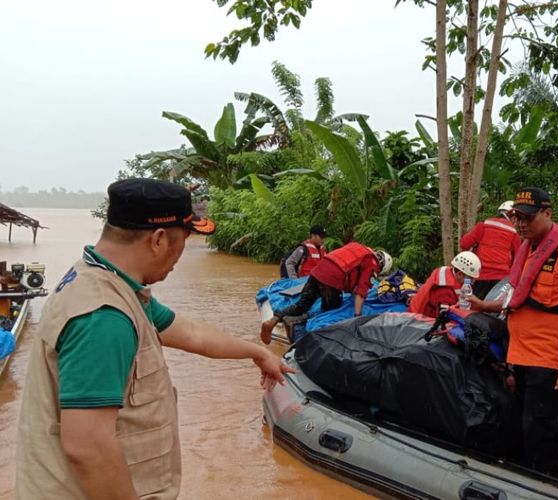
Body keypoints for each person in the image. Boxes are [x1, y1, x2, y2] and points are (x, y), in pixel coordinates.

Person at [15, 178, 293, 500]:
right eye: (184, 241)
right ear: (159, 239)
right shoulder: (103, 317)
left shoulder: (107, 282)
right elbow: (88, 447)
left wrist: (256, 353)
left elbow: (191, 333)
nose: (178, 259)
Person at [469, 187, 558, 478]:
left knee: (542, 435)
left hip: (547, 362)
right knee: (522, 430)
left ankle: (546, 486)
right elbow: (517, 297)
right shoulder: (526, 251)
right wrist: (484, 305)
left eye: (527, 217)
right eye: (516, 217)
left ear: (547, 214)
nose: (520, 223)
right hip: (520, 357)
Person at [260, 242, 392, 344]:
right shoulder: (372, 262)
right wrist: (357, 315)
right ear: (381, 265)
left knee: (302, 304)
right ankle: (294, 322)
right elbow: (361, 291)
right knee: (330, 309)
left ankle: (273, 320)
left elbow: (349, 270)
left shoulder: (357, 248)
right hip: (331, 281)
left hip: (318, 271)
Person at [459, 201, 520, 299]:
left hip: (480, 276)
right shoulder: (514, 234)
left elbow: (464, 244)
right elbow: (518, 260)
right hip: (501, 280)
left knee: (472, 307)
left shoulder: (483, 226)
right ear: (512, 217)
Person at [408, 251, 481, 318]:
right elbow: (443, 318)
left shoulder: (448, 272)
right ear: (459, 274)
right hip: (419, 320)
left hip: (418, 310)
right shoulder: (445, 291)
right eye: (471, 278)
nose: (473, 282)